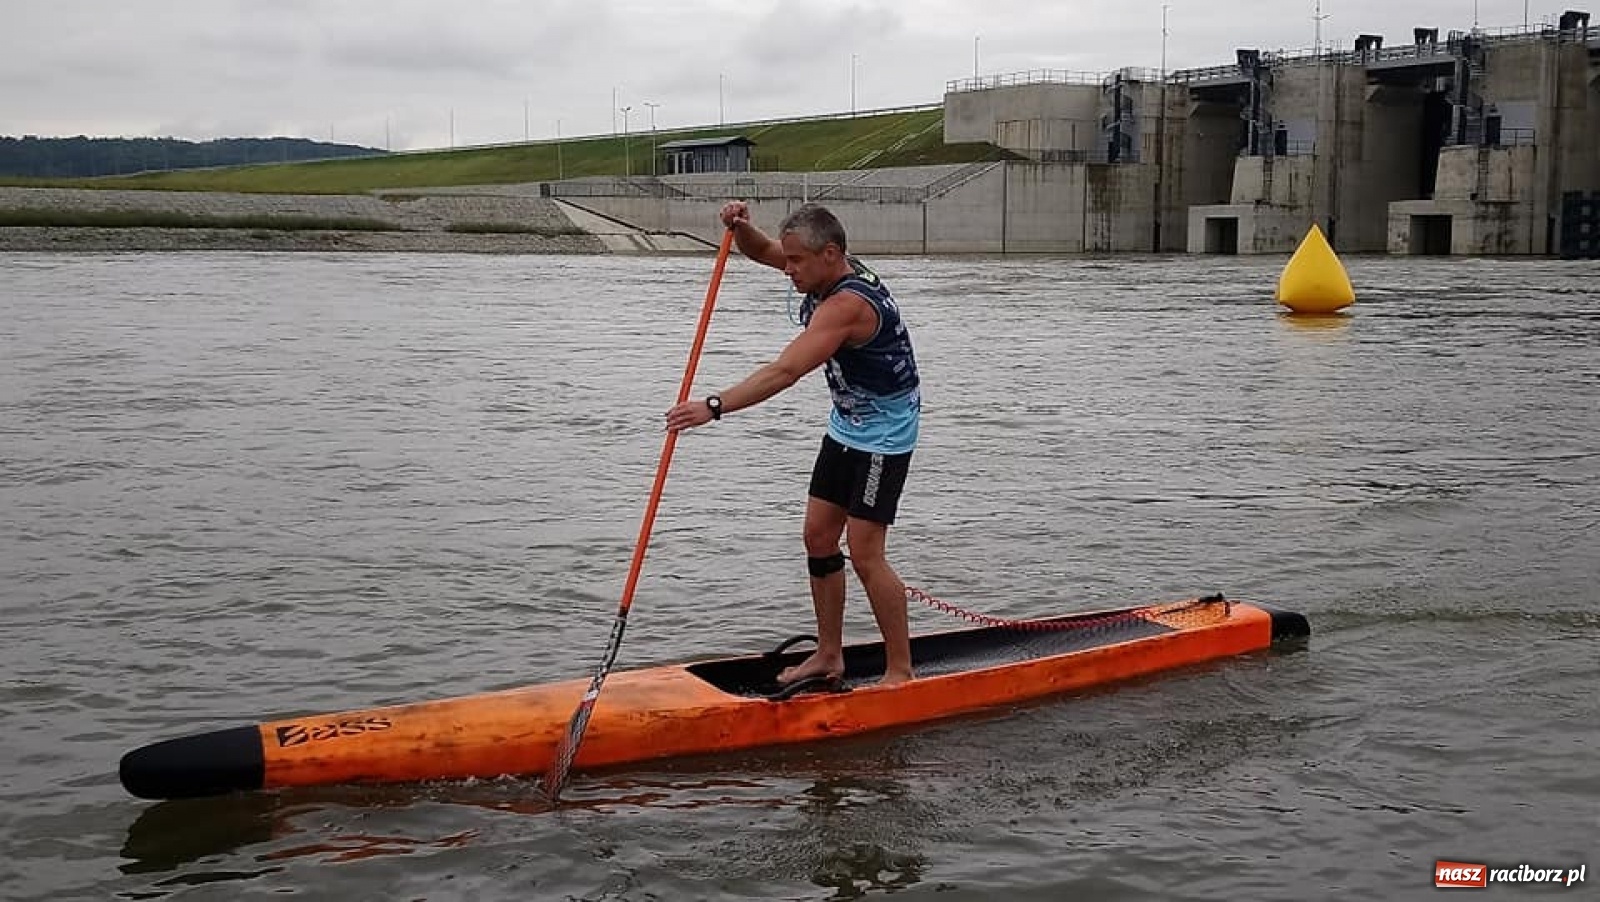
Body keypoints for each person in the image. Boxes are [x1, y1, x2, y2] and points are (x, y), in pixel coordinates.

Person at [665, 201, 921, 687]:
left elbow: (785, 372)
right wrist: (740, 228)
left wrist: (713, 407)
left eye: (797, 262)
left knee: (866, 553)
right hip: (847, 425)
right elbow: (762, 249)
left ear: (829, 254)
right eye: (789, 260)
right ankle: (829, 656)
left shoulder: (847, 305)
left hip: (885, 436)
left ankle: (900, 671)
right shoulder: (819, 262)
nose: (788, 270)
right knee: (818, 539)